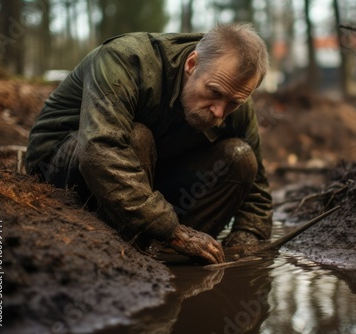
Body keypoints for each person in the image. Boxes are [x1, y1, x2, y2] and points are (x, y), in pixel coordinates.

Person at [25, 23, 273, 264]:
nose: (220, 111)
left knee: (240, 157)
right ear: (191, 64)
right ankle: (128, 250)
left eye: (234, 103)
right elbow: (99, 149)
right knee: (137, 137)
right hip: (62, 162)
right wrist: (171, 229)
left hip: (148, 180)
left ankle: (168, 253)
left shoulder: (233, 96)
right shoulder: (125, 60)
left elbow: (257, 186)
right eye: (215, 93)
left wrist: (247, 240)